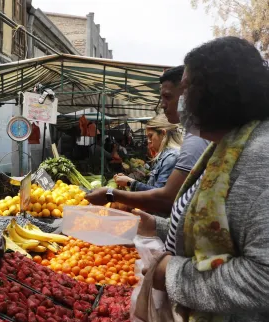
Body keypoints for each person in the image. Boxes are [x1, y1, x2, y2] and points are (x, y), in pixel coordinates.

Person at [136, 37, 269, 322]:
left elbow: (263, 276)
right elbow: (215, 228)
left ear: (216, 91)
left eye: (186, 87)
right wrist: (157, 226)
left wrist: (174, 275)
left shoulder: (260, 158)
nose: (179, 101)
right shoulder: (225, 147)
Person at [86, 66, 210, 215]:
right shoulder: (196, 134)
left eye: (168, 97)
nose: (162, 105)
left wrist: (113, 193)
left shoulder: (192, 142)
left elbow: (166, 200)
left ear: (187, 94)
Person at [115, 115, 182, 191]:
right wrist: (128, 181)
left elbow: (158, 194)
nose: (149, 141)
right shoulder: (166, 155)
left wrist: (130, 182)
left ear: (163, 134)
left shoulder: (171, 157)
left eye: (151, 136)